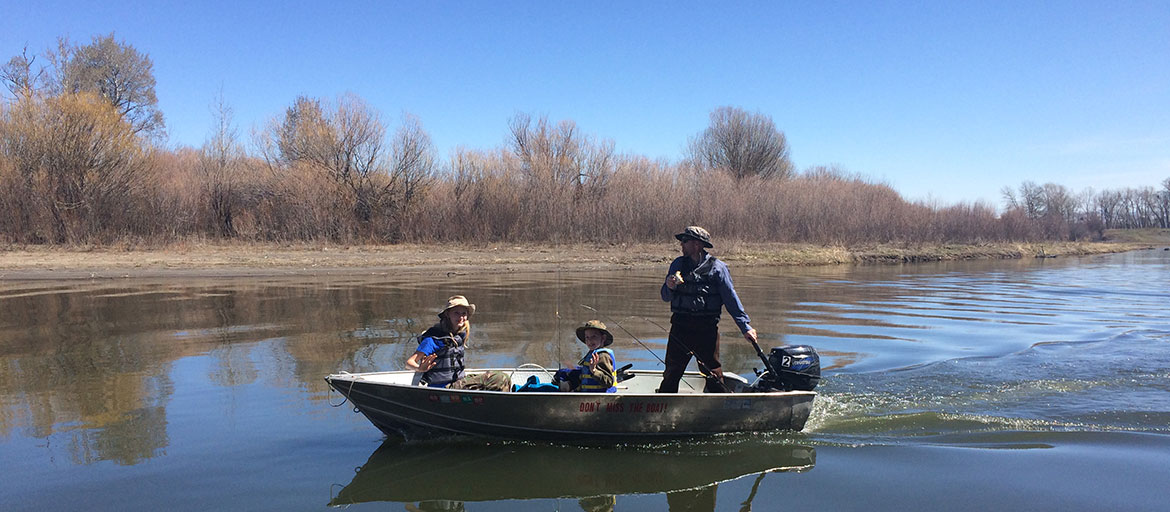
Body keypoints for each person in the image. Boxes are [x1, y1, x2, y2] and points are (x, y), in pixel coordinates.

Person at [659, 226, 758, 393]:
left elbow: (731, 299)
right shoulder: (677, 264)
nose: (681, 245)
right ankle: (663, 407)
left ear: (697, 244)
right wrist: (669, 286)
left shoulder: (718, 268)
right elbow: (665, 296)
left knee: (712, 372)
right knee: (672, 371)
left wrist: (745, 327)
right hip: (680, 326)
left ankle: (720, 405)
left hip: (706, 328)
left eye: (685, 241)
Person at [405, 295, 511, 391]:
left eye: (463, 313)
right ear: (448, 314)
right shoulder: (433, 338)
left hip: (459, 383)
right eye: (456, 313)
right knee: (501, 378)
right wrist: (420, 368)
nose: (461, 317)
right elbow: (409, 363)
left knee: (505, 379)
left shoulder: (459, 335)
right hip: (444, 388)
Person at [553, 320, 618, 392]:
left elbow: (609, 382)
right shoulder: (592, 352)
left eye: (594, 336)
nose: (590, 341)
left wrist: (594, 371)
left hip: (598, 398)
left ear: (603, 338)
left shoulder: (603, 356)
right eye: (587, 337)